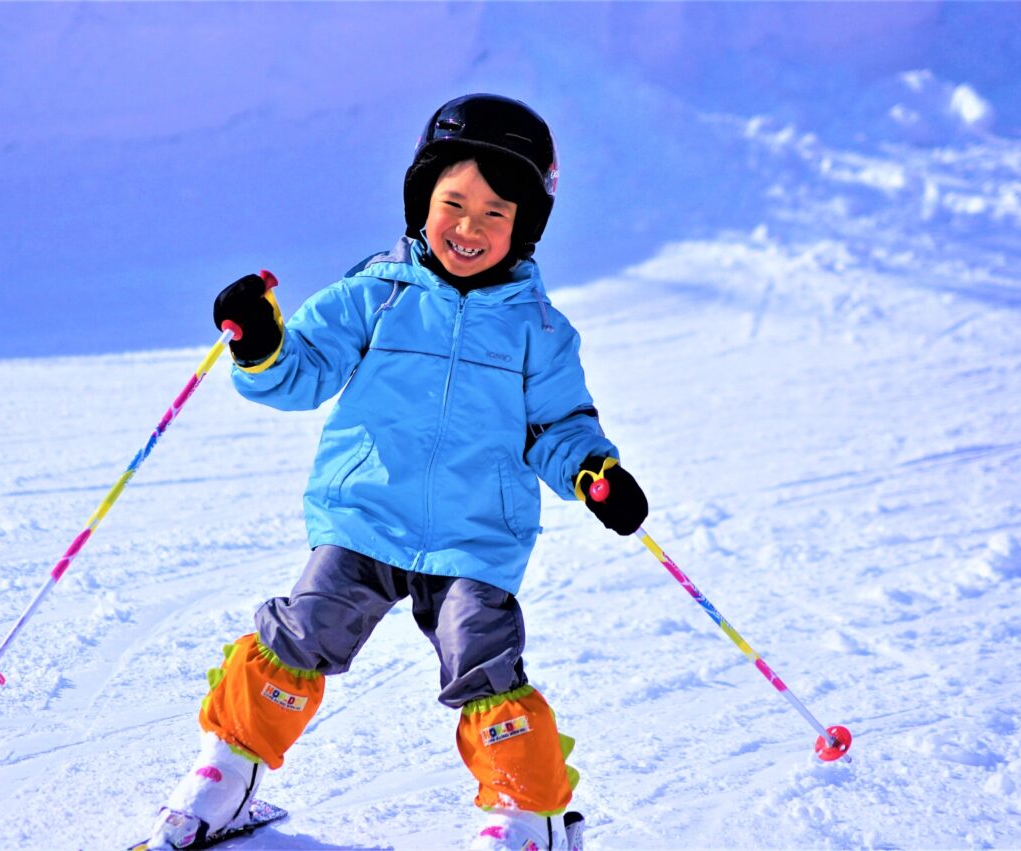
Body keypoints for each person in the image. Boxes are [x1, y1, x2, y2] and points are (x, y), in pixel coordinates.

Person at [146, 94, 648, 851]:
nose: (469, 228)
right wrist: (260, 342)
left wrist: (592, 471)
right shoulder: (374, 293)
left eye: (494, 213)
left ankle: (528, 815)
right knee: (298, 632)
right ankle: (225, 771)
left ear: (525, 227)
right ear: (422, 201)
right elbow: (302, 372)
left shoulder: (540, 329)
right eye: (453, 204)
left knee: (484, 663)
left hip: (473, 538)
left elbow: (558, 426)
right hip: (365, 515)